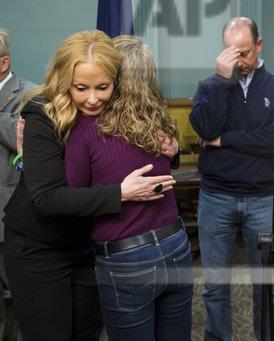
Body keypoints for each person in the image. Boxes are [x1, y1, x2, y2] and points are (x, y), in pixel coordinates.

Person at [2, 30, 177, 341]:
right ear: (63, 78)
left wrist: (172, 152)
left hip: (87, 245)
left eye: (103, 87)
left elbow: (132, 152)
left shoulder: (114, 106)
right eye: (81, 88)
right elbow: (46, 198)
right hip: (39, 247)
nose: (93, 98)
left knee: (88, 331)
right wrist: (121, 193)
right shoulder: (41, 112)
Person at [65, 35, 193, 340]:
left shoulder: (87, 129)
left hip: (126, 259)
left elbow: (71, 198)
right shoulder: (159, 118)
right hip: (176, 244)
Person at [189, 16, 274, 340]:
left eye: (244, 52)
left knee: (267, 286)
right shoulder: (211, 86)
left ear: (259, 45)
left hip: (263, 197)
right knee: (215, 287)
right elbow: (205, 129)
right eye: (231, 53)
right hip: (216, 197)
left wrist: (223, 142)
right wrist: (220, 81)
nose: (239, 61)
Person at [0, 27, 35, 341]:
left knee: (29, 308)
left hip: (9, 223)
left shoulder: (30, 95)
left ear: (3, 62)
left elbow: (19, 140)